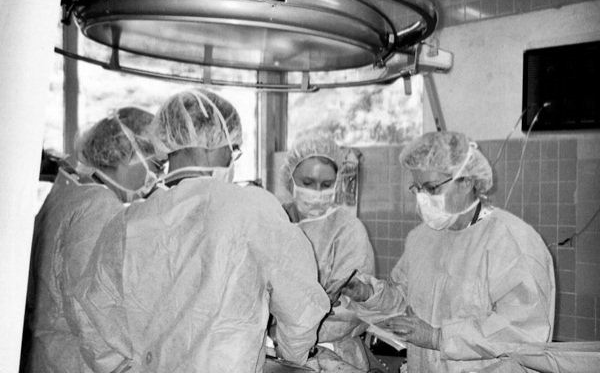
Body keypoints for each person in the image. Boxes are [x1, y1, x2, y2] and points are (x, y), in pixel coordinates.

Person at [76, 90, 330, 373]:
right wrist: (293, 354)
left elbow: (92, 315)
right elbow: (302, 308)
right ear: (212, 143)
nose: (231, 159)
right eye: (231, 149)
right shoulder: (251, 208)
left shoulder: (128, 221)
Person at [341, 131, 556, 373]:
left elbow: (522, 331)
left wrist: (438, 338)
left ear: (466, 182)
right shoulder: (422, 239)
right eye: (417, 188)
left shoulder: (511, 241)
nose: (423, 198)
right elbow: (403, 301)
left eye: (431, 188)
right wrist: (366, 293)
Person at [25, 107, 162, 373]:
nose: (156, 177)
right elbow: (92, 312)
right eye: (155, 164)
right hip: (75, 363)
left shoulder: (70, 192)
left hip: (49, 357)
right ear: (126, 155)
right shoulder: (98, 206)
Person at [280, 131, 376, 371]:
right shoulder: (275, 221)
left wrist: (292, 328)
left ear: (337, 182)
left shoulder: (347, 230)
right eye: (307, 183)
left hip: (332, 356)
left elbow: (351, 311)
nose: (316, 191)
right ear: (289, 178)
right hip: (275, 353)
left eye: (326, 185)